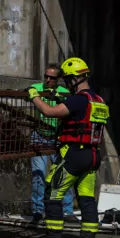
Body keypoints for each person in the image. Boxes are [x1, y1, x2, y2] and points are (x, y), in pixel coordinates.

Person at [29, 57, 109, 238]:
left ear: (74, 79)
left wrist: (33, 95)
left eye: (67, 80)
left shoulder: (78, 99)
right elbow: (79, 116)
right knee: (87, 199)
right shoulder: (98, 100)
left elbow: (48, 111)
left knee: (52, 192)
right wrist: (61, 100)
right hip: (93, 156)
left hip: (75, 154)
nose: (66, 84)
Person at [27, 65, 73, 224]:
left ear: (58, 79)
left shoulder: (64, 92)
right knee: (38, 175)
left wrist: (57, 95)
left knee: (63, 175)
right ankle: (38, 211)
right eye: (46, 76)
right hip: (40, 134)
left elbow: (69, 99)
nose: (48, 80)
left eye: (52, 78)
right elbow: (30, 89)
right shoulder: (37, 88)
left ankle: (67, 210)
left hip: (58, 138)